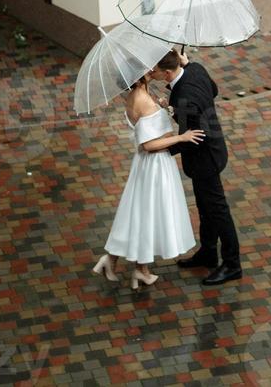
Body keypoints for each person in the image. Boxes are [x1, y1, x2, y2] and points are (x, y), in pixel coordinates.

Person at [93, 68, 205, 289]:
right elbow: (149, 145)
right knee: (148, 215)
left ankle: (131, 266)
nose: (150, 69)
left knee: (143, 215)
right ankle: (137, 269)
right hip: (154, 166)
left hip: (149, 166)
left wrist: (164, 108)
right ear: (138, 76)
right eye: (145, 69)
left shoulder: (140, 94)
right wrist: (182, 137)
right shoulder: (142, 99)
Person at [155, 48, 242, 286]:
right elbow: (212, 91)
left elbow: (193, 135)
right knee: (205, 206)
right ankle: (208, 253)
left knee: (218, 210)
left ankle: (232, 264)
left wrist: (162, 150)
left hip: (205, 159)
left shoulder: (183, 96)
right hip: (215, 148)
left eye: (154, 70)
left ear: (166, 73)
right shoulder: (195, 69)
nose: (151, 73)